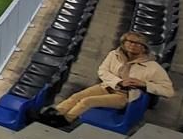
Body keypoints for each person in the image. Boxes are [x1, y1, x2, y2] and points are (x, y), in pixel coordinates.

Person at [39, 31, 174, 126]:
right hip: (107, 87)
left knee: (87, 101)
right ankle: (54, 114)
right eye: (130, 42)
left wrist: (143, 84)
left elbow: (168, 91)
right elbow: (102, 71)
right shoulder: (114, 55)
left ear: (144, 48)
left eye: (138, 44)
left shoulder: (152, 67)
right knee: (76, 96)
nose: (133, 45)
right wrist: (119, 82)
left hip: (124, 96)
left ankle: (65, 121)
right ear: (124, 43)